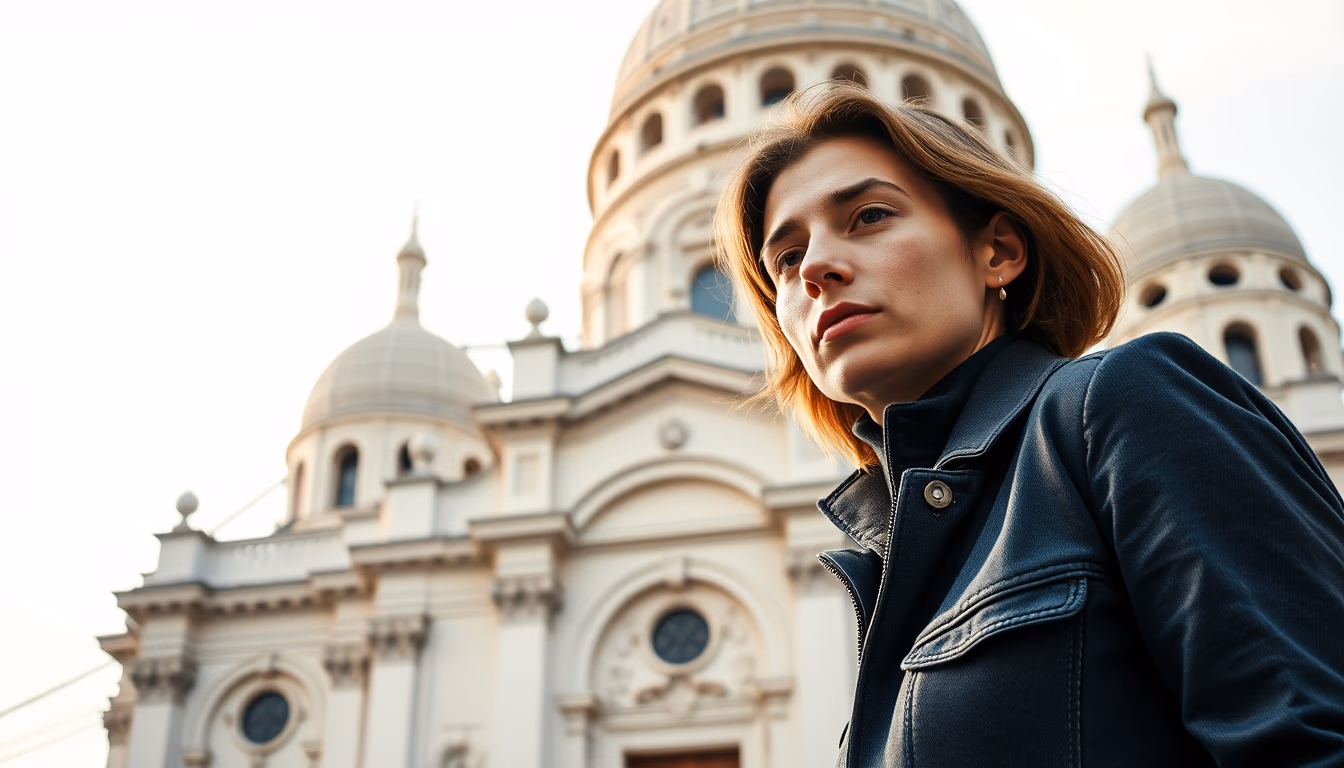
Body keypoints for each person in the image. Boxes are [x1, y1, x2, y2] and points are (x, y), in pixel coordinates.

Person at [713, 83, 1344, 767]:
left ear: (999, 252)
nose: (815, 270)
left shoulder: (1120, 405)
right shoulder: (889, 557)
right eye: (785, 258)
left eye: (868, 216)